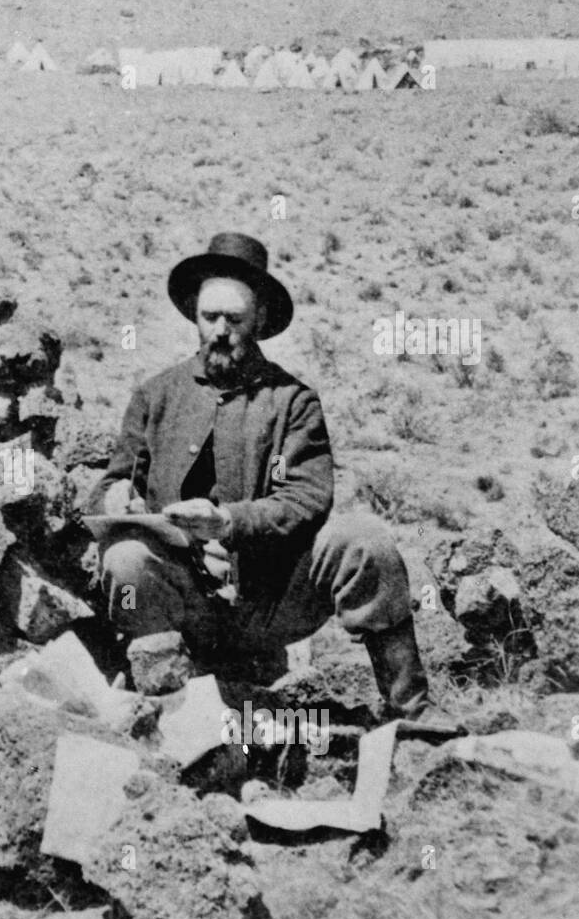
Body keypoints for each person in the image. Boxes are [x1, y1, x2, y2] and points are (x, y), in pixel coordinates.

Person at [87, 232, 443, 723]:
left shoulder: (293, 401)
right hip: (183, 603)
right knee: (125, 560)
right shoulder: (155, 396)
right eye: (210, 317)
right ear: (194, 315)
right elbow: (111, 483)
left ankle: (414, 713)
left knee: (365, 543)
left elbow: (306, 498)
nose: (220, 331)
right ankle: (166, 713)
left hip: (271, 603)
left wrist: (227, 521)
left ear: (258, 321)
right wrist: (116, 498)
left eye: (234, 319)